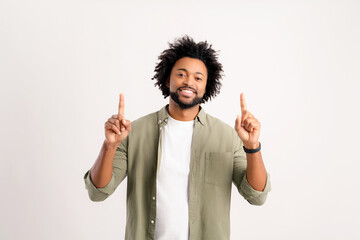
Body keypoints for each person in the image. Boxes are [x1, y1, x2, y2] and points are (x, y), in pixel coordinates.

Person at [83, 35, 271, 240]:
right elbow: (98, 192)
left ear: (206, 87)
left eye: (198, 78)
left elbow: (257, 196)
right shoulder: (134, 132)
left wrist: (252, 147)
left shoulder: (227, 136)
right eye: (181, 74)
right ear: (167, 79)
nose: (189, 82)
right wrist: (109, 146)